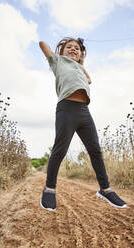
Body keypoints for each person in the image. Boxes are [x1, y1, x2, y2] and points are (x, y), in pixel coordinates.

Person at [39, 37, 126, 211]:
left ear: (81, 55)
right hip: (66, 108)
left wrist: (81, 66)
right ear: (61, 52)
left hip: (84, 111)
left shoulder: (79, 67)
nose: (73, 49)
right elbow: (42, 43)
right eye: (69, 47)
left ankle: (105, 189)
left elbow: (90, 80)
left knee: (95, 150)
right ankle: (49, 189)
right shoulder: (57, 62)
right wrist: (60, 52)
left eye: (77, 48)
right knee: (60, 150)